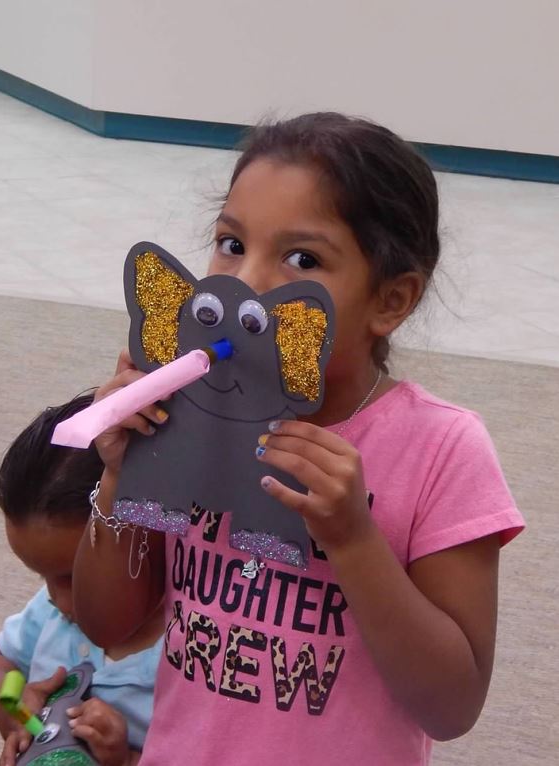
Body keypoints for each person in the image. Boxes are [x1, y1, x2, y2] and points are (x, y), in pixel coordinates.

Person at [72, 113, 524, 765]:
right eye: (231, 243)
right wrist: (120, 478)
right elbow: (108, 626)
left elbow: (451, 705)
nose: (246, 283)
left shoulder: (441, 449)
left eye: (301, 259)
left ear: (389, 301)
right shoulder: (182, 413)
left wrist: (353, 541)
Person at [0, 394, 163, 766]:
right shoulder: (51, 614)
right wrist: (12, 705)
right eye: (43, 577)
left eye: (72, 578)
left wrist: (126, 759)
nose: (57, 600)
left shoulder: (186, 646)